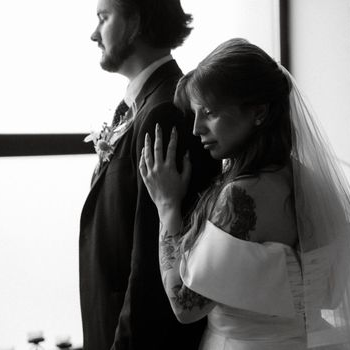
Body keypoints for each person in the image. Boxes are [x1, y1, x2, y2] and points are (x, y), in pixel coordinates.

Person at [139, 38, 350, 350]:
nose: (196, 128)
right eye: (195, 114)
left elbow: (185, 306)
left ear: (258, 113)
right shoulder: (314, 184)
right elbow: (333, 291)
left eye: (210, 112)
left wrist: (166, 206)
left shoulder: (242, 195)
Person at [79, 0, 220, 349]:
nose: (94, 34)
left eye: (103, 17)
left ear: (135, 22)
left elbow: (150, 264)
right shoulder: (137, 105)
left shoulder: (165, 112)